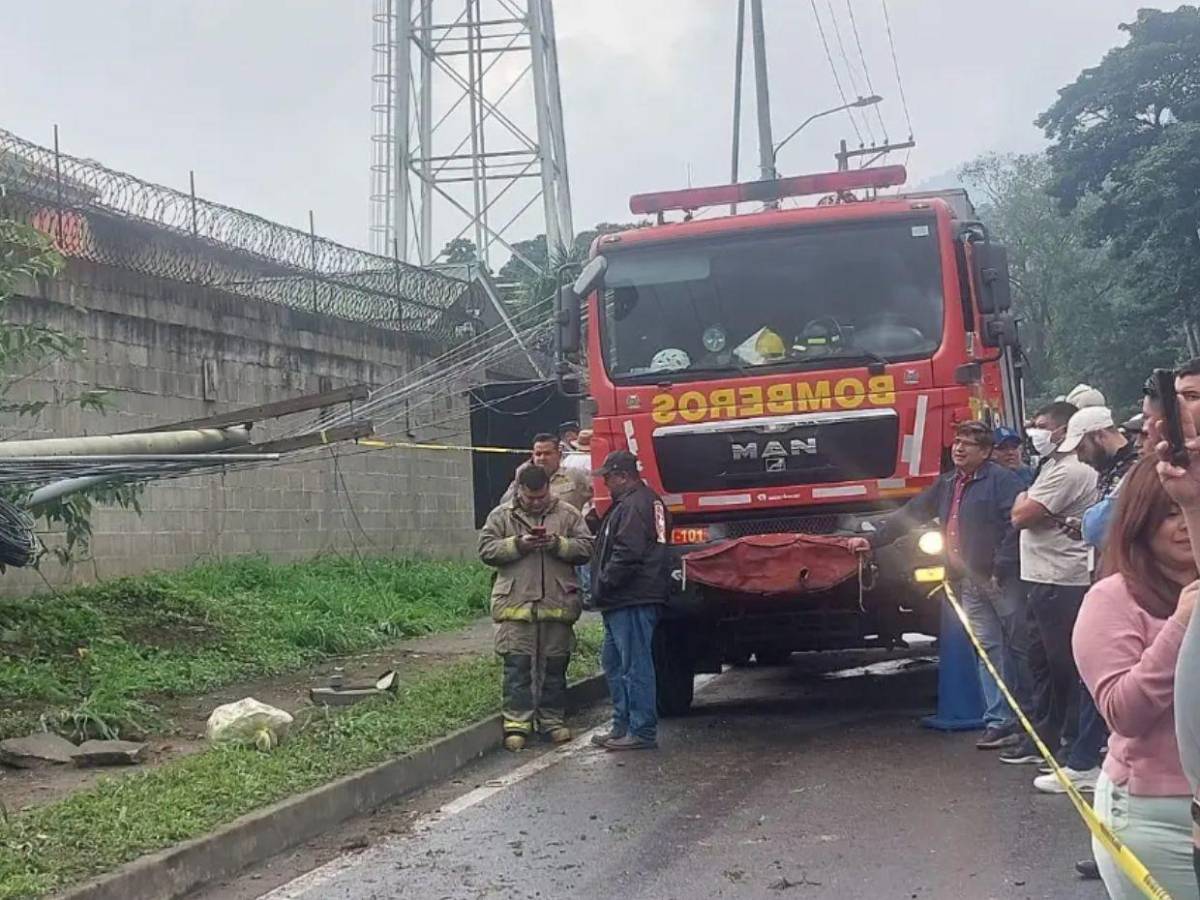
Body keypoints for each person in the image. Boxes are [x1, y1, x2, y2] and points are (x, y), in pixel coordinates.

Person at [856, 421, 1031, 749]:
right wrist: (872, 539)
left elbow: (1016, 527)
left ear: (986, 452)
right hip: (967, 580)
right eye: (957, 442)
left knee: (1020, 647)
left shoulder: (1002, 482)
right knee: (989, 648)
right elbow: (913, 513)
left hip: (999, 580)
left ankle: (1033, 722)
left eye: (968, 444)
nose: (959, 449)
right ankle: (1000, 722)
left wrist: (1002, 566)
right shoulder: (950, 483)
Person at [1073, 458, 1198, 899]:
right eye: (1170, 513)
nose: (1186, 523)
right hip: (1156, 819)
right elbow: (1124, 712)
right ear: (1140, 521)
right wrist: (1183, 623)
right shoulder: (1112, 600)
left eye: (1193, 509)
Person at [1002, 401, 1100, 781]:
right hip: (1042, 576)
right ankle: (1047, 738)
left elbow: (1021, 515)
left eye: (1042, 426)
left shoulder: (1070, 471)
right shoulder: (1051, 467)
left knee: (1065, 667)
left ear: (1062, 430)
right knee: (1042, 664)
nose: (1035, 432)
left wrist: (1023, 502)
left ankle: (1074, 746)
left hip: (1063, 579)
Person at [478, 464, 594, 751]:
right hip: (515, 606)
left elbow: (586, 549)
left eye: (540, 497)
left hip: (557, 604)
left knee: (554, 668)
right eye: (530, 498)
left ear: (548, 490)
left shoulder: (567, 514)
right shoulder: (501, 516)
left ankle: (552, 722)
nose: (535, 502)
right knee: (517, 668)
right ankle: (517, 724)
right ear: (520, 490)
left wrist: (557, 544)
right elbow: (486, 550)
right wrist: (518, 545)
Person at [589, 450, 671, 751]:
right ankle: (622, 726)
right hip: (625, 598)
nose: (606, 484)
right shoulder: (639, 503)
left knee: (634, 666)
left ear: (623, 476)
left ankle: (641, 730)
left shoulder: (636, 506)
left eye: (608, 478)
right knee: (614, 664)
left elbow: (628, 553)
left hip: (631, 597)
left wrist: (603, 584)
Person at [501, 432, 592, 514]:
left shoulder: (575, 476)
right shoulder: (524, 478)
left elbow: (598, 495)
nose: (542, 458)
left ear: (559, 455)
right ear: (532, 456)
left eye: (547, 453)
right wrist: (518, 480)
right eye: (538, 454)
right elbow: (504, 504)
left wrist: (590, 515)